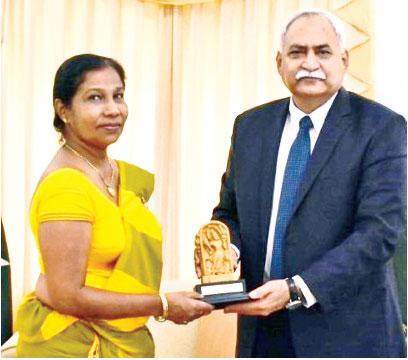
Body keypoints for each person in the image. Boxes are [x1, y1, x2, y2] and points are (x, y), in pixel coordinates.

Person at [195, 10, 406, 357]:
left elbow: (379, 232)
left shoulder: (381, 127)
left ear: (344, 60)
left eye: (322, 52)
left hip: (346, 335)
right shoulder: (250, 127)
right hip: (262, 331)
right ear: (280, 62)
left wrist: (296, 289)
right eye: (297, 52)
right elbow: (229, 212)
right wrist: (223, 252)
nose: (310, 63)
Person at [15, 54, 213, 358]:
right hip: (73, 345)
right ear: (63, 110)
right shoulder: (65, 187)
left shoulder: (115, 173)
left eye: (118, 96)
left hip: (120, 339)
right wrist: (162, 305)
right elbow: (67, 297)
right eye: (95, 98)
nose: (113, 110)